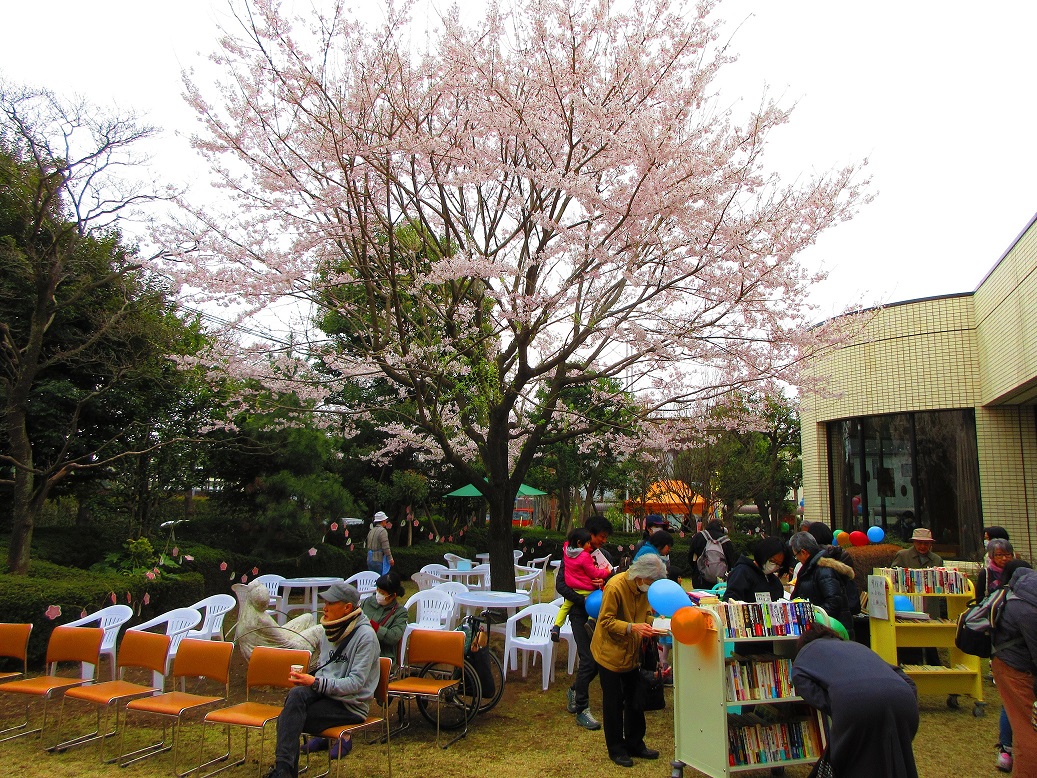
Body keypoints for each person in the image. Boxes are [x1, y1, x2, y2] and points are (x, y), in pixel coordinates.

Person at [265, 582, 380, 778]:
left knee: (289, 719)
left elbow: (355, 684)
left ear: (347, 608)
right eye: (324, 602)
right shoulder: (330, 630)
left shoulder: (366, 637)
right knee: (296, 694)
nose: (324, 608)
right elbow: (325, 669)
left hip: (350, 705)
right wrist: (308, 680)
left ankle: (283, 772)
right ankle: (284, 772)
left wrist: (316, 683)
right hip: (326, 695)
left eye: (330, 603)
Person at [791, 622, 919, 777]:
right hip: (903, 701)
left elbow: (800, 678)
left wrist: (835, 704)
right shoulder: (859, 647)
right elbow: (906, 679)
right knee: (895, 759)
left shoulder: (806, 653)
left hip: (854, 705)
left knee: (853, 765)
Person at [590, 553, 668, 768]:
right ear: (641, 577)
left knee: (636, 699)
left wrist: (657, 625)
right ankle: (616, 749)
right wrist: (633, 627)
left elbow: (644, 616)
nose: (651, 587)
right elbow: (605, 620)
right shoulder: (615, 587)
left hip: (632, 653)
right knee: (613, 702)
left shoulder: (645, 592)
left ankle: (636, 743)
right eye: (651, 582)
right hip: (609, 653)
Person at [555, 514, 615, 731]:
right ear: (589, 534)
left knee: (598, 661)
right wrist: (584, 600)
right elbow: (561, 585)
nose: (603, 541)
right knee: (588, 660)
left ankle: (574, 690)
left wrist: (605, 580)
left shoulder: (603, 556)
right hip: (580, 615)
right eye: (601, 536)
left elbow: (613, 579)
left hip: (599, 616)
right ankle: (582, 709)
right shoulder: (572, 555)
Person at [991, 560, 1037, 778]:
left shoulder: (1025, 594)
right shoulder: (1028, 610)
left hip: (1018, 664)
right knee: (1031, 734)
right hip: (1016, 669)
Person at [979, 536, 1018, 772]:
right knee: (1009, 701)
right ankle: (1006, 748)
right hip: (999, 638)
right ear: (991, 557)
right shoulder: (986, 575)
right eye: (999, 555)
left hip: (1012, 645)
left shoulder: (1018, 573)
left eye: (1007, 555)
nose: (1003, 559)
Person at [891, 527, 944, 663]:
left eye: (926, 543)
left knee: (930, 638)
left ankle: (933, 665)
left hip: (929, 603)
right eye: (919, 543)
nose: (922, 546)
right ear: (914, 542)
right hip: (908, 602)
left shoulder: (937, 559)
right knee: (910, 637)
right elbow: (893, 577)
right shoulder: (903, 555)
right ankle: (910, 663)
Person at [789, 531, 855, 639]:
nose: (797, 560)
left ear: (804, 552)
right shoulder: (811, 568)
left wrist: (812, 617)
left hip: (831, 632)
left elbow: (834, 602)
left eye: (796, 556)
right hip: (825, 631)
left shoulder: (823, 570)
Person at [551, 527, 610, 643]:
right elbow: (593, 572)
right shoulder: (584, 556)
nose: (604, 541)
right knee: (599, 600)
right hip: (587, 590)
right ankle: (591, 621)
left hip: (573, 588)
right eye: (602, 537)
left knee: (564, 607)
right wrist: (605, 573)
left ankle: (556, 627)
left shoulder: (567, 553)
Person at [360, 570, 409, 671]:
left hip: (382, 656)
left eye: (382, 593)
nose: (378, 594)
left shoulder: (400, 613)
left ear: (393, 595)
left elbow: (394, 637)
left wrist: (374, 626)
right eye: (377, 590)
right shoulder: (367, 602)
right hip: (361, 651)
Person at [723, 536, 787, 604]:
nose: (774, 566)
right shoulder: (742, 572)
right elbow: (730, 599)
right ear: (763, 554)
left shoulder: (775, 582)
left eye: (778, 564)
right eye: (772, 561)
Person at [689, 519, 737, 589]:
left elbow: (690, 556)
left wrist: (696, 569)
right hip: (720, 582)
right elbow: (731, 561)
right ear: (721, 527)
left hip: (700, 579)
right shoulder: (726, 541)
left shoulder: (698, 537)